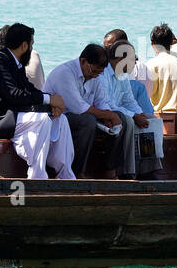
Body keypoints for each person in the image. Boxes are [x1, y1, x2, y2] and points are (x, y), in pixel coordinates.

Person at [0, 23, 75, 179]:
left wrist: (50, 106)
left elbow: (28, 90)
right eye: (31, 44)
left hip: (13, 116)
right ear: (24, 45)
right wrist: (50, 99)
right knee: (41, 120)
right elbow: (14, 95)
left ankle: (65, 175)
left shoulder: (15, 63)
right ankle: (37, 176)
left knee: (60, 119)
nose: (31, 49)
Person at [42, 43, 119, 176]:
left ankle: (109, 169)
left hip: (78, 116)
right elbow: (79, 108)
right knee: (87, 121)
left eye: (98, 73)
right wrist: (109, 115)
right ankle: (77, 171)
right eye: (93, 71)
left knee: (120, 119)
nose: (95, 76)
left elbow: (101, 100)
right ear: (83, 61)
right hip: (56, 119)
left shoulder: (95, 76)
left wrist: (108, 116)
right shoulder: (64, 73)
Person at [102, 33, 163, 178]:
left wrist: (139, 113)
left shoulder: (122, 75)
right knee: (128, 120)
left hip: (119, 112)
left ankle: (149, 169)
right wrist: (134, 115)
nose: (135, 63)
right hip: (106, 114)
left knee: (150, 119)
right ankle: (128, 171)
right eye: (132, 59)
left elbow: (129, 100)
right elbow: (106, 103)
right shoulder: (103, 73)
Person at [146, 23, 177, 117]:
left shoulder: (150, 65)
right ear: (171, 42)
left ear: (152, 44)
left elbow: (146, 95)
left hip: (157, 116)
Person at [0, 22, 46, 89]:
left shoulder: (18, 64)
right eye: (31, 45)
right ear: (23, 46)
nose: (31, 49)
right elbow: (14, 93)